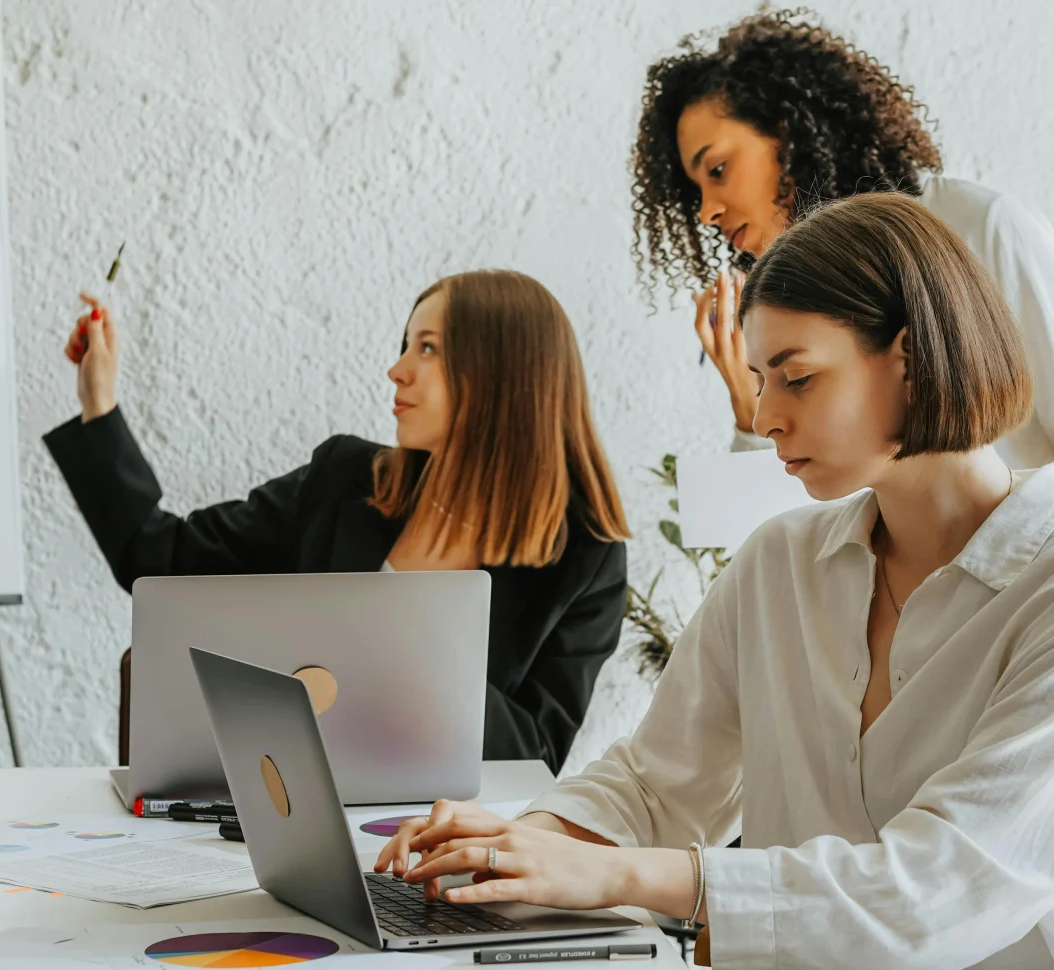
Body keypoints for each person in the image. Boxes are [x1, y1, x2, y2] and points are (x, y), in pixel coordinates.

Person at [375, 195, 1054, 970]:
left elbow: (940, 893)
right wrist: (514, 844)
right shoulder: (780, 563)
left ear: (910, 357)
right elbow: (658, 782)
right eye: (760, 379)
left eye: (795, 378)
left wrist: (623, 878)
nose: (764, 417)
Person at [44, 269, 631, 773]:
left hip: (433, 843)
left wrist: (409, 641)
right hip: (285, 803)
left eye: (428, 348)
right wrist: (100, 403)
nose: (396, 369)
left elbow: (536, 758)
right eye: (407, 344)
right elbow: (157, 559)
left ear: (504, 376)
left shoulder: (585, 557)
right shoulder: (345, 480)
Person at [632, 10, 1054, 538]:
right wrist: (752, 408)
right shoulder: (788, 308)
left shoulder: (981, 228)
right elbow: (776, 545)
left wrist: (982, 549)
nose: (705, 212)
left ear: (789, 133)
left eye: (717, 170)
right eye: (694, 191)